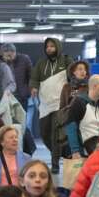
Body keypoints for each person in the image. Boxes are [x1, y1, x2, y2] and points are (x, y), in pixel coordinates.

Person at [30, 37, 72, 174]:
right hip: (45, 105)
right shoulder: (41, 63)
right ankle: (62, 153)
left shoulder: (66, 61)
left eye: (52, 46)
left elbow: (74, 76)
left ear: (58, 47)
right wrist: (34, 87)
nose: (49, 49)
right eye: (47, 47)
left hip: (60, 105)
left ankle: (55, 164)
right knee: (44, 134)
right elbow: (34, 78)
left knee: (55, 135)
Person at [62, 75, 99, 160]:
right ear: (94, 86)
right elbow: (71, 127)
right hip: (83, 153)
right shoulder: (79, 102)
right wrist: (75, 151)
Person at [1, 44, 33, 111]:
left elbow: (32, 76)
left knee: (21, 119)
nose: (9, 57)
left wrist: (27, 91)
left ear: (14, 52)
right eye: (6, 56)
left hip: (21, 97)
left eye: (11, 55)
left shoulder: (24, 59)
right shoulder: (0, 62)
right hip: (5, 97)